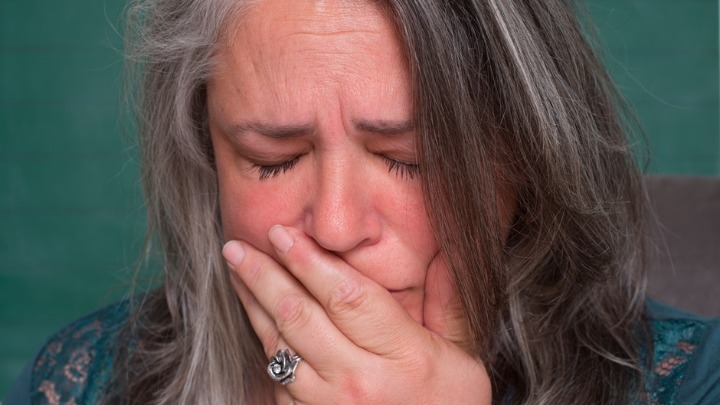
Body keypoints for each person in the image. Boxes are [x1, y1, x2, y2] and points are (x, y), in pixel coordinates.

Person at [4, 0, 719, 404]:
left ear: (527, 156)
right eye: (272, 160)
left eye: (410, 160)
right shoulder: (83, 378)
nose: (338, 226)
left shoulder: (695, 382)